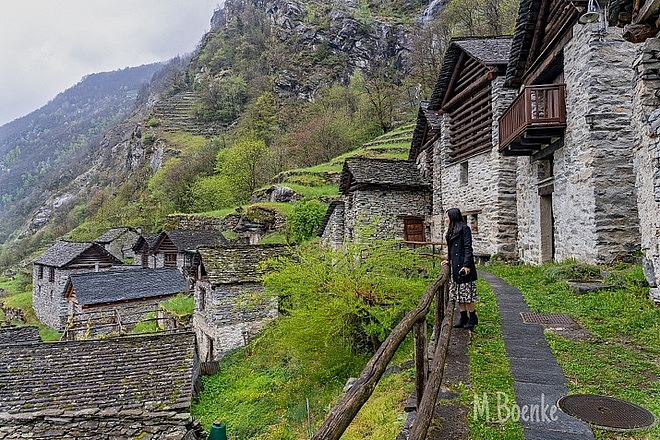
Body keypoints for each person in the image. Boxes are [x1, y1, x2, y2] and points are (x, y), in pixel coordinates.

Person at [441, 207, 479, 330]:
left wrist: (467, 265)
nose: (446, 219)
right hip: (455, 264)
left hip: (463, 264)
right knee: (458, 293)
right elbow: (451, 249)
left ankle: (472, 317)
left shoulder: (464, 228)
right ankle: (463, 317)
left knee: (467, 293)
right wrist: (448, 259)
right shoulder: (451, 231)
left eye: (447, 217)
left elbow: (468, 247)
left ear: (453, 217)